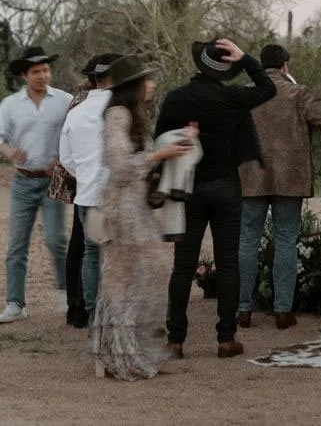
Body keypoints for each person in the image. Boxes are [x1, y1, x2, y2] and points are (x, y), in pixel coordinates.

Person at [155, 38, 276, 359]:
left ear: (199, 65)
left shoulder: (177, 99)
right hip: (225, 186)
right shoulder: (233, 97)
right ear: (226, 70)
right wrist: (246, 58)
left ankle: (176, 340)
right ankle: (225, 338)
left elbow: (159, 140)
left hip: (189, 187)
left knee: (183, 266)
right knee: (228, 263)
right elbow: (268, 88)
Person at [93, 55, 194, 381]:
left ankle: (129, 351)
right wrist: (159, 155)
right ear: (133, 86)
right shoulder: (117, 115)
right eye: (146, 80)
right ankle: (119, 354)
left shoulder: (133, 115)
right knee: (125, 281)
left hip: (136, 207)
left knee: (144, 276)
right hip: (124, 210)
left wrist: (175, 146)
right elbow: (120, 165)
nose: (151, 85)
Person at [238, 43, 321, 329]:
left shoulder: (246, 94)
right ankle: (283, 310)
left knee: (246, 240)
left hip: (250, 177)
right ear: (284, 66)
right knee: (285, 241)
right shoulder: (297, 93)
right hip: (289, 179)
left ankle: (242, 309)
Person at [0, 46, 72, 323]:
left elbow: (74, 133)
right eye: (36, 71)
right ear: (24, 74)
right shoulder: (9, 105)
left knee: (56, 241)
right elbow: (1, 138)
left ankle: (67, 296)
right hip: (22, 181)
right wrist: (8, 151)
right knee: (16, 245)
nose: (42, 75)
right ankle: (15, 304)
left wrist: (63, 158)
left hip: (53, 182)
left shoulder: (63, 100)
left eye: (45, 70)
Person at [59, 53, 122, 322]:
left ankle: (93, 311)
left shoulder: (76, 112)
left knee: (91, 252)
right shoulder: (122, 111)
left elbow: (66, 158)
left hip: (87, 194)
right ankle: (115, 311)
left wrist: (85, 175)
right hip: (116, 194)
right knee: (118, 253)